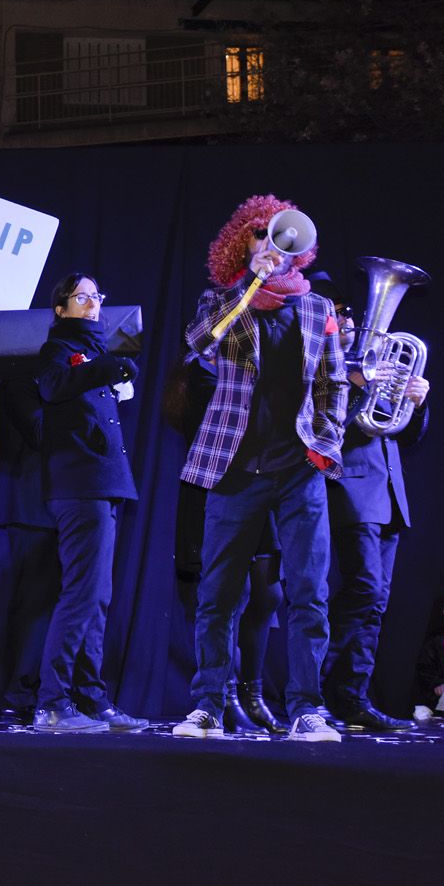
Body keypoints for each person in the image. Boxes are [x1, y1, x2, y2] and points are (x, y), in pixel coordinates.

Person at [171, 195, 348, 742]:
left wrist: (326, 442)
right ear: (239, 245)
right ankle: (208, 705)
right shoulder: (221, 301)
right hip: (234, 467)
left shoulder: (317, 308)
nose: (271, 241)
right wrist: (250, 283)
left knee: (309, 594)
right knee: (218, 594)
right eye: (257, 233)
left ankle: (307, 709)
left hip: (299, 469)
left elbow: (333, 382)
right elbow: (198, 341)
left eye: (278, 233)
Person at [310, 270, 430, 732]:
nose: (348, 321)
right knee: (363, 589)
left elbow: (403, 433)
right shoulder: (324, 363)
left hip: (389, 492)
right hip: (352, 489)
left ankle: (352, 697)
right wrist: (361, 385)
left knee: (376, 602)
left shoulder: (373, 361)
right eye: (339, 314)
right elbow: (330, 430)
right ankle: (312, 685)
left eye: (349, 313)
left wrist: (415, 401)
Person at [31, 273, 145, 733]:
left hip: (104, 485)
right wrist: (107, 368)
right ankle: (52, 703)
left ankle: (92, 698)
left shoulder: (96, 353)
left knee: (98, 598)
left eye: (96, 296)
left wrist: (109, 367)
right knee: (81, 595)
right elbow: (52, 385)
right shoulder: (58, 349)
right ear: (61, 309)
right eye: (82, 297)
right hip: (79, 486)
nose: (93, 303)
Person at [162, 354, 287, 735]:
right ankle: (224, 696)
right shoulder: (199, 375)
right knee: (231, 597)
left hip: (254, 493)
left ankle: (252, 694)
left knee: (268, 593)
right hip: (215, 494)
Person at [0, 375, 60, 724]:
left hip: (64, 507)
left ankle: (50, 691)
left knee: (56, 606)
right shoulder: (20, 383)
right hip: (34, 510)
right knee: (34, 605)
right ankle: (20, 693)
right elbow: (40, 432)